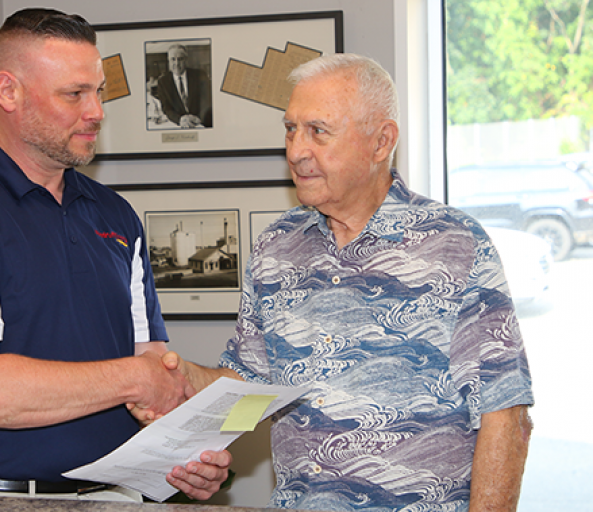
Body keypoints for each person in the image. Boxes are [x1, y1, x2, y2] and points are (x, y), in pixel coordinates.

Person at [136, 53, 534, 511]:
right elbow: (249, 389)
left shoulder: (455, 244)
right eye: (290, 129)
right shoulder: (275, 248)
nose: (295, 150)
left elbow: (506, 412)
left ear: (382, 141)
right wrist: (181, 381)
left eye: (317, 132)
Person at [0, 8, 229, 502]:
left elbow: (152, 371)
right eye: (75, 94)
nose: (97, 111)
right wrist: (136, 378)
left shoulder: (116, 214)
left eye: (100, 91)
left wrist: (187, 456)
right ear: (8, 92)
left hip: (120, 493)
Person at [155, 44, 212, 128]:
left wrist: (199, 118)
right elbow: (166, 108)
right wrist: (180, 119)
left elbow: (207, 100)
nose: (177, 63)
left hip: (202, 123)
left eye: (180, 59)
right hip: (180, 125)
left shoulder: (199, 75)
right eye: (173, 59)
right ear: (168, 61)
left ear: (186, 60)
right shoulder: (163, 82)